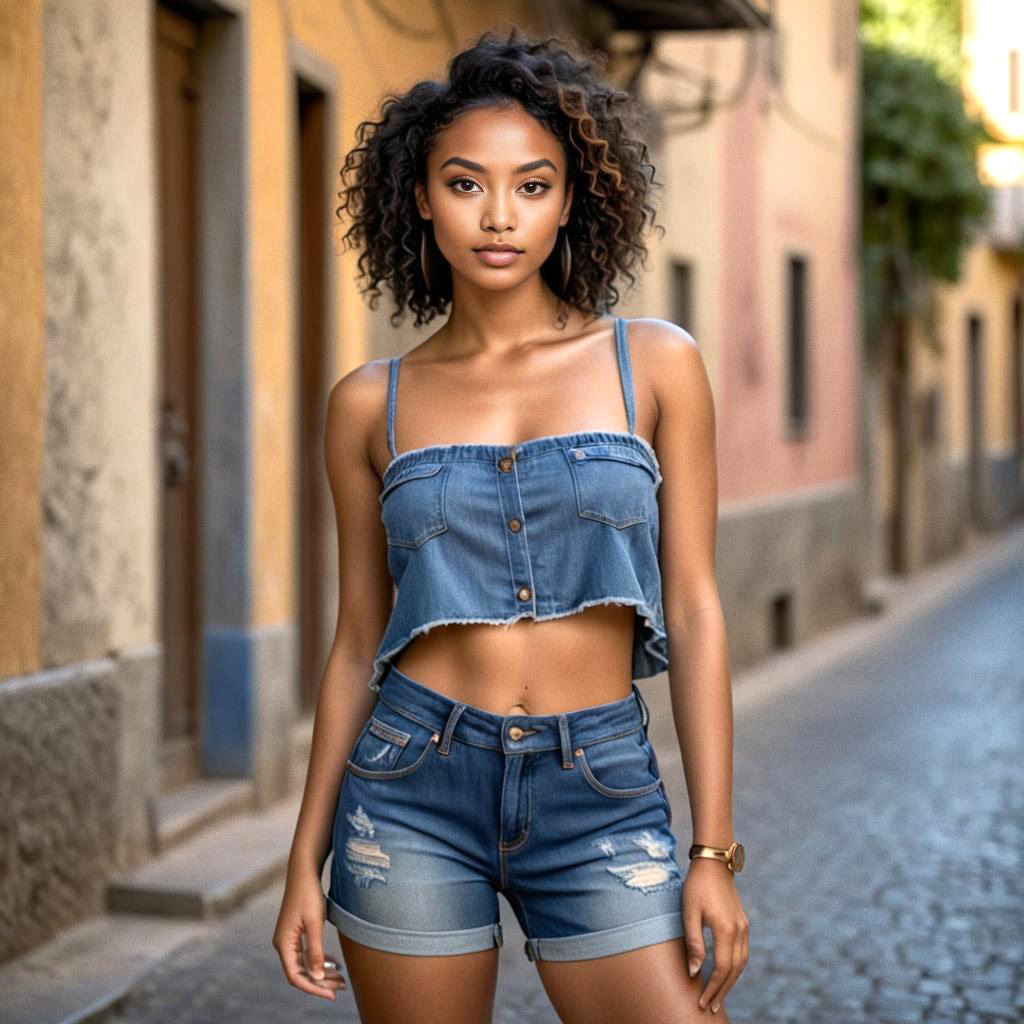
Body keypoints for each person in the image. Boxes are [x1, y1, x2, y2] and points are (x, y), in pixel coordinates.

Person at [272, 26, 749, 1023]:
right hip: (407, 788)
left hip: (601, 787)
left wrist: (712, 851)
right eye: (464, 183)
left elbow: (696, 611)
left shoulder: (653, 362)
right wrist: (302, 859)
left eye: (532, 185)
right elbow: (360, 634)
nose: (499, 216)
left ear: (571, 199)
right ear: (418, 195)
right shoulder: (371, 403)